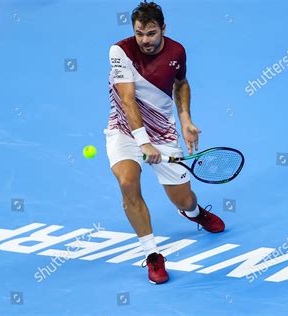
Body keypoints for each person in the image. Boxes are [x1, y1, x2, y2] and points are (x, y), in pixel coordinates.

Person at [105, 1, 225, 285]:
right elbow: (127, 99)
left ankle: (195, 213)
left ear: (163, 29)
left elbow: (181, 83)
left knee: (183, 199)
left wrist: (185, 120)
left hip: (164, 134)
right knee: (127, 184)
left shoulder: (177, 51)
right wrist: (143, 143)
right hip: (124, 130)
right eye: (139, 33)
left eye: (151, 33)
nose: (145, 40)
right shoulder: (120, 51)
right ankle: (152, 255)